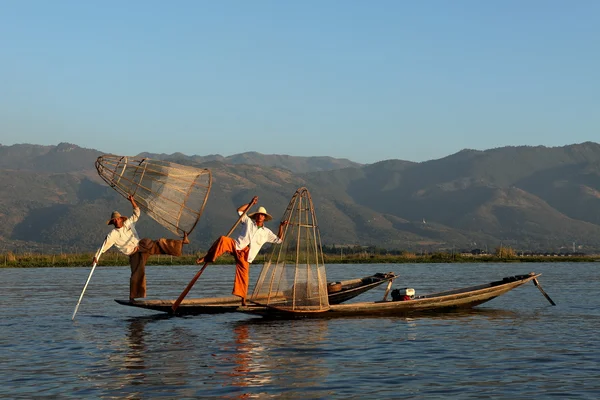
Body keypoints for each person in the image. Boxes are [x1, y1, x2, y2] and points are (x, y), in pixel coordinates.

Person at [93, 194, 190, 300]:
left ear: (121, 219)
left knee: (158, 243)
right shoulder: (113, 234)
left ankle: (182, 243)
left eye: (117, 219)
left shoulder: (128, 223)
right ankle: (133, 296)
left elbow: (137, 213)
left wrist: (132, 201)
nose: (116, 221)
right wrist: (96, 257)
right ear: (112, 222)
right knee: (137, 272)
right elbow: (104, 246)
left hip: (141, 246)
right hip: (133, 253)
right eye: (114, 220)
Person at [195, 196, 287, 306]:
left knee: (244, 277)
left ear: (264, 218)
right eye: (258, 214)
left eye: (262, 215)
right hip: (237, 245)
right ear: (256, 216)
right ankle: (208, 257)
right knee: (223, 239)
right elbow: (239, 210)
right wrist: (250, 203)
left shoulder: (266, 232)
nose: (260, 216)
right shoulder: (248, 221)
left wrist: (281, 227)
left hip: (247, 254)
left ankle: (243, 299)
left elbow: (279, 240)